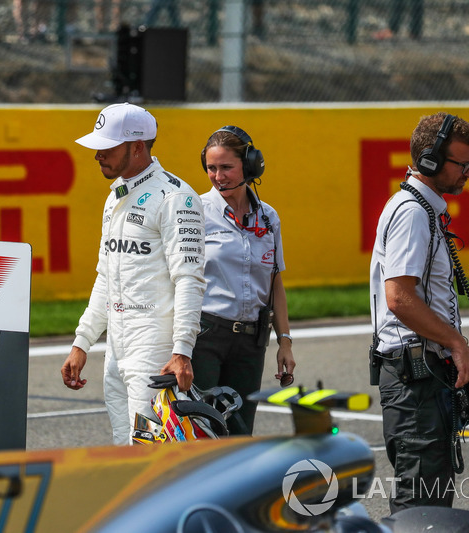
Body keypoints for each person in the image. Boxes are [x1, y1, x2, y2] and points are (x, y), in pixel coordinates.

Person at [61, 102, 206, 445]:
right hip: (116, 344)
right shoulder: (115, 197)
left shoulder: (176, 197)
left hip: (154, 344)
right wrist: (82, 342)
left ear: (137, 146)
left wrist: (182, 350)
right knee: (123, 445)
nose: (98, 155)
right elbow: (105, 276)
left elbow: (189, 279)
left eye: (107, 147)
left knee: (151, 450)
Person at [369, 112, 469, 513]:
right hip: (413, 379)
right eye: (462, 164)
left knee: (430, 501)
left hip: (424, 375)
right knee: (420, 508)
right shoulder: (413, 212)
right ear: (431, 161)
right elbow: (399, 297)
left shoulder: (424, 209)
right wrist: (455, 342)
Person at [193, 126, 295, 436]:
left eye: (226, 167)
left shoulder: (268, 216)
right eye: (211, 168)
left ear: (249, 166)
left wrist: (285, 342)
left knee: (240, 435)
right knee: (203, 434)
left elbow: (274, 283)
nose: (218, 176)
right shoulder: (194, 211)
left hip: (252, 341)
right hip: (205, 336)